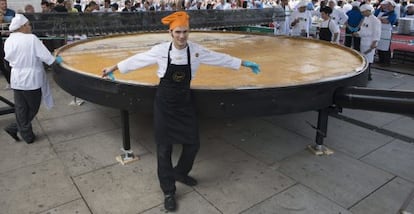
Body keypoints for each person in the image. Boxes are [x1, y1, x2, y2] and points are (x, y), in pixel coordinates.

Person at [102, 11, 260, 212]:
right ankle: (168, 190)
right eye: (178, 32)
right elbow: (138, 59)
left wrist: (243, 63)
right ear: (170, 32)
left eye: (185, 31)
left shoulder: (195, 51)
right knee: (164, 149)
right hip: (165, 105)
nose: (182, 36)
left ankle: (181, 172)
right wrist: (113, 68)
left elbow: (219, 58)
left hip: (184, 103)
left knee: (193, 143)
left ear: (189, 32)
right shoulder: (160, 50)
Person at [3, 14, 62, 144]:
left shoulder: (9, 40)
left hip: (16, 79)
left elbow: (7, 62)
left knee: (21, 108)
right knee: (33, 108)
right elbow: (48, 58)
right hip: (31, 80)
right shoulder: (31, 39)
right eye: (28, 24)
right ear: (23, 26)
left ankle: (27, 135)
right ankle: (17, 128)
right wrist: (58, 60)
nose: (30, 27)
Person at [353, 3, 381, 80]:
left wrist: (374, 42)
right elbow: (363, 30)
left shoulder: (375, 20)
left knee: (369, 59)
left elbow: (377, 32)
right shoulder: (365, 19)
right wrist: (358, 33)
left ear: (367, 11)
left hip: (370, 42)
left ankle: (368, 75)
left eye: (363, 12)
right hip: (363, 41)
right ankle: (365, 74)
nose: (362, 14)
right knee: (364, 58)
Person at [374, 0, 397, 66]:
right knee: (380, 47)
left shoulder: (393, 14)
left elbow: (387, 21)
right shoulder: (385, 13)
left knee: (386, 48)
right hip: (380, 31)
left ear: (392, 6)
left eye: (389, 5)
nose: (387, 6)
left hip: (386, 32)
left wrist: (380, 19)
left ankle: (386, 62)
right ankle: (381, 60)